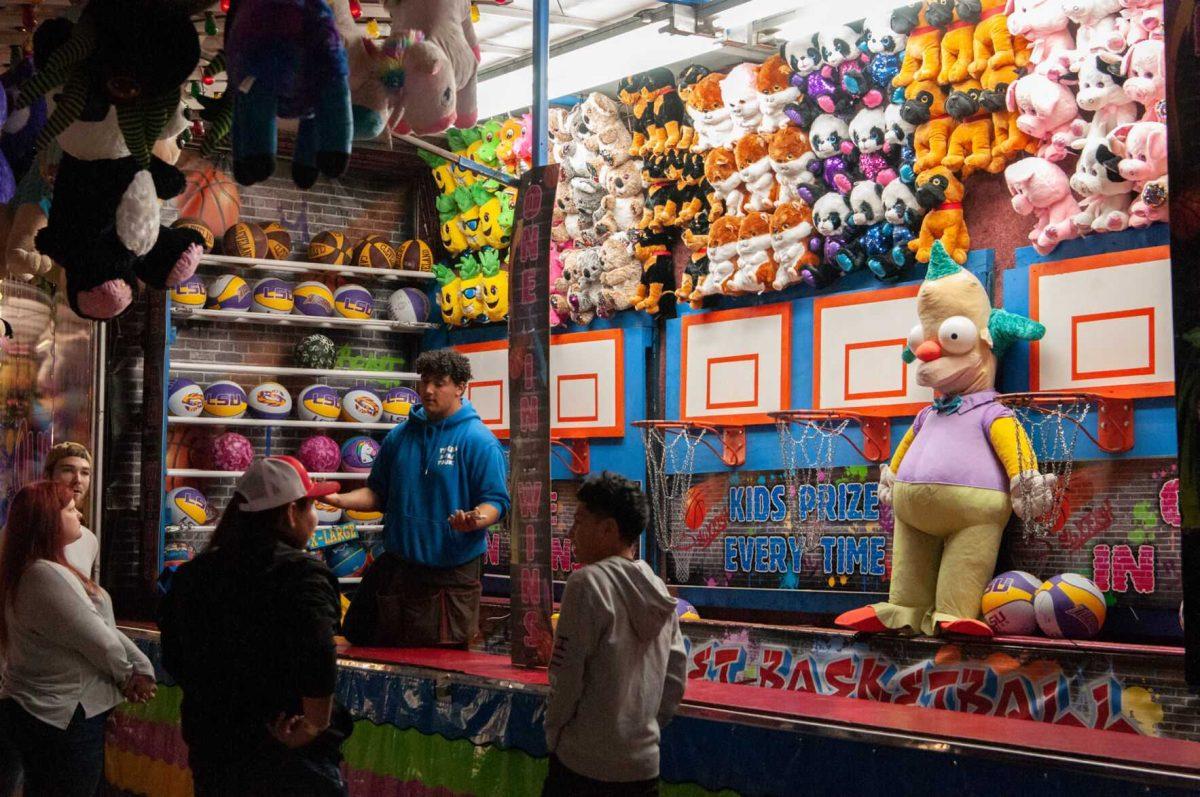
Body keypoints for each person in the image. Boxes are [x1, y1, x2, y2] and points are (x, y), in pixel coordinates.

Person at [159, 456, 353, 796]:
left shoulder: (194, 574)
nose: (316, 517)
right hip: (287, 752)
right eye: (311, 506)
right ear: (291, 511)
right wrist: (315, 723)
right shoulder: (302, 573)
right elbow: (318, 651)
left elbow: (175, 658)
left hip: (215, 750)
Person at [326, 349, 510, 647]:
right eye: (424, 381)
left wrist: (476, 519)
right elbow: (377, 494)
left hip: (451, 573)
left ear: (461, 386)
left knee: (438, 663)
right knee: (363, 637)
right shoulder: (399, 437)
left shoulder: (479, 441)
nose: (428, 390)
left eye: (440, 382)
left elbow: (496, 502)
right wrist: (339, 500)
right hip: (401, 568)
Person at [0, 481, 156, 797]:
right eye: (70, 510)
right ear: (48, 522)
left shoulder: (44, 569)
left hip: (52, 711)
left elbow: (99, 627)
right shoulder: (43, 575)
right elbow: (97, 639)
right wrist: (128, 676)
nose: (79, 515)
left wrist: (139, 667)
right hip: (62, 714)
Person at [542, 472, 687, 797]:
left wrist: (554, 734)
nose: (571, 532)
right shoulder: (657, 588)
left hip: (582, 767)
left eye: (579, 521)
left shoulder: (586, 584)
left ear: (607, 529)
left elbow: (566, 678)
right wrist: (641, 733)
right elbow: (675, 678)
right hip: (642, 768)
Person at [44, 442, 99, 578]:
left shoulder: (88, 540)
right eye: (68, 470)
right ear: (48, 475)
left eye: (85, 473)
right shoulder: (22, 529)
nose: (78, 480)